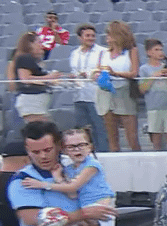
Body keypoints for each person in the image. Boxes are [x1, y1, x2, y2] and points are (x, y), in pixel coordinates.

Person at [20, 126, 116, 226]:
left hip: (101, 202)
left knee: (67, 223)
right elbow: (72, 194)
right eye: (71, 147)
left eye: (82, 145)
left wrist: (43, 185)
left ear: (90, 147)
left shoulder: (92, 165)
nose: (77, 149)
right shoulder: (70, 169)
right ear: (64, 150)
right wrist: (58, 177)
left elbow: (74, 186)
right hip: (84, 205)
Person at [97, 20, 141, 152]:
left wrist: (115, 73)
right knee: (112, 136)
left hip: (124, 91)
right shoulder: (103, 53)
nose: (107, 37)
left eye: (110, 34)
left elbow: (134, 72)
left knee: (132, 137)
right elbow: (98, 69)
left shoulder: (131, 51)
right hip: (105, 92)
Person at [68, 24, 109, 153]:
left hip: (96, 95)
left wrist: (90, 74)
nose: (91, 38)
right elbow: (74, 71)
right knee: (83, 130)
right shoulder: (74, 53)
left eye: (93, 35)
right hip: (79, 96)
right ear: (80, 38)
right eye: (87, 36)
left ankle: (103, 154)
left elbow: (105, 71)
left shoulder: (103, 51)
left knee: (100, 128)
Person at [10, 31, 62, 122]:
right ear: (30, 44)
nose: (41, 45)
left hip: (37, 103)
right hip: (31, 102)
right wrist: (49, 77)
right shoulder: (24, 58)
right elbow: (25, 79)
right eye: (39, 42)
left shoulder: (33, 60)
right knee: (40, 131)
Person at [139, 38, 167, 150]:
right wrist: (153, 76)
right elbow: (142, 89)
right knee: (156, 137)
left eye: (161, 49)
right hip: (154, 108)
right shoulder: (144, 69)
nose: (160, 52)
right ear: (149, 52)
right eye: (156, 49)